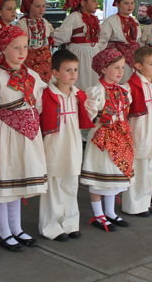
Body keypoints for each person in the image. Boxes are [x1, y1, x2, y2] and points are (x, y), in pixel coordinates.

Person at [0, 25, 48, 252]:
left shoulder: (32, 75)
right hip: (5, 133)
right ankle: (4, 232)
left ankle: (17, 228)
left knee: (18, 182)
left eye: (24, 47)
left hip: (28, 135)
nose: (22, 52)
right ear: (3, 49)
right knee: (5, 183)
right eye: (16, 47)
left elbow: (40, 102)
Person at [39, 49, 95, 241]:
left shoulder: (78, 95)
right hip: (53, 145)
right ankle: (51, 226)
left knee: (71, 183)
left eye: (75, 70)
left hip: (72, 144)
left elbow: (88, 115)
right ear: (55, 73)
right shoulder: (45, 94)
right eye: (68, 70)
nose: (73, 74)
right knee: (54, 185)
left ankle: (70, 222)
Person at [81, 49, 134, 232]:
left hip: (120, 135)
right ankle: (98, 215)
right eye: (116, 68)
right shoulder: (96, 91)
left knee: (114, 174)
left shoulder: (123, 89)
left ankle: (110, 212)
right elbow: (89, 116)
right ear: (103, 69)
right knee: (99, 175)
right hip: (102, 137)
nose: (120, 71)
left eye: (122, 67)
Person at [122, 46, 152, 213]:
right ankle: (133, 206)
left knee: (149, 169)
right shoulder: (130, 87)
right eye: (151, 64)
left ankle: (145, 202)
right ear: (139, 66)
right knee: (138, 169)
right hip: (139, 133)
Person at [52, 0, 100, 90]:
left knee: (93, 80)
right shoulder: (74, 17)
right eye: (94, 1)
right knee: (80, 79)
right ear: (83, 2)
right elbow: (62, 35)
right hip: (79, 53)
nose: (97, 3)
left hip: (94, 52)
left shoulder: (94, 18)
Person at [99, 0, 141, 83]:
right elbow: (101, 39)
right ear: (117, 4)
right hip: (118, 56)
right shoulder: (111, 21)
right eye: (126, 3)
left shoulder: (135, 21)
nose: (130, 6)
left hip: (134, 56)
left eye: (132, 3)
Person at [16, 0, 55, 83]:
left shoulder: (45, 22)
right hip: (29, 61)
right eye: (38, 6)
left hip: (45, 61)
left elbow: (53, 34)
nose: (41, 9)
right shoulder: (22, 24)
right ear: (29, 7)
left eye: (43, 6)